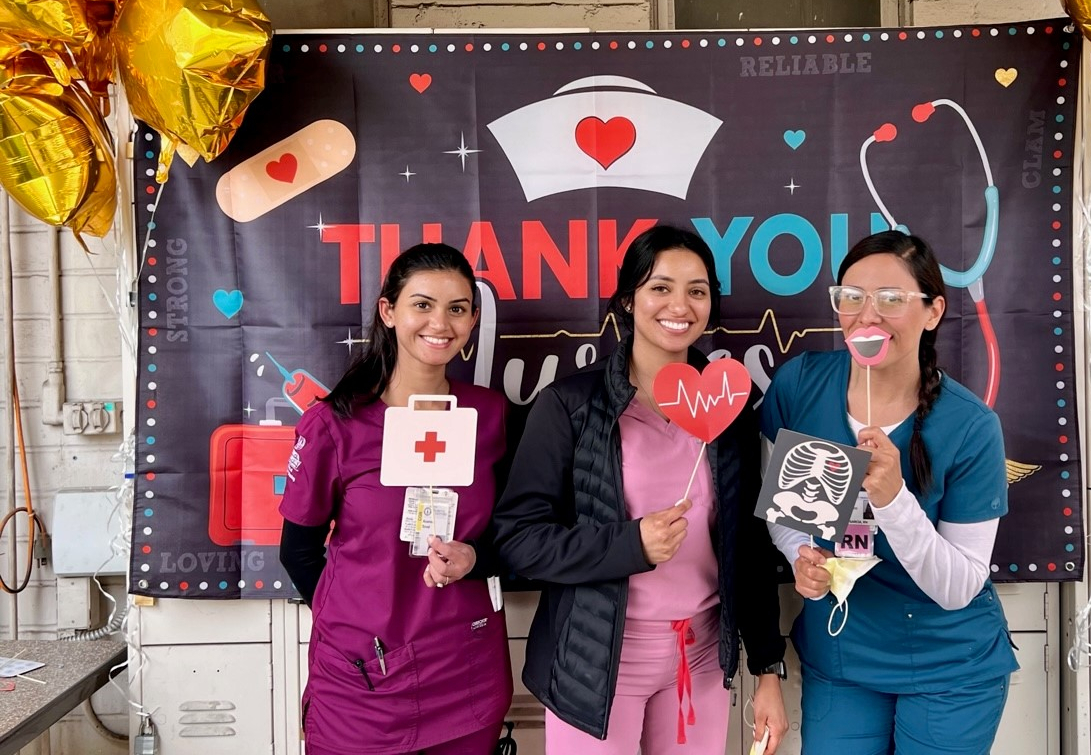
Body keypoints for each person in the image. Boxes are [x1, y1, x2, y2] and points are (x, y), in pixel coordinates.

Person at [493, 224, 789, 755]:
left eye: (697, 290)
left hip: (699, 658)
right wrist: (631, 546)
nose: (680, 304)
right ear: (628, 300)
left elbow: (749, 542)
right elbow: (519, 539)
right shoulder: (570, 406)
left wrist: (767, 666)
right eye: (660, 287)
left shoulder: (729, 406)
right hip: (595, 664)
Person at [762, 230, 1017, 755]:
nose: (867, 315)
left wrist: (895, 499)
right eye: (852, 298)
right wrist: (801, 555)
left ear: (933, 311)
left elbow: (959, 586)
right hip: (841, 658)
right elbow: (784, 511)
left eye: (892, 299)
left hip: (951, 668)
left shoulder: (971, 426)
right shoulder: (800, 386)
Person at [278, 243, 513, 755]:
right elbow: (297, 551)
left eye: (457, 308)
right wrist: (356, 621)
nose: (440, 323)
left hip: (464, 670)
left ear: (473, 319)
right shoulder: (335, 425)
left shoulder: (490, 416)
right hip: (363, 679)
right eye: (422, 304)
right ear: (389, 311)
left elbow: (519, 534)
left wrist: (479, 558)